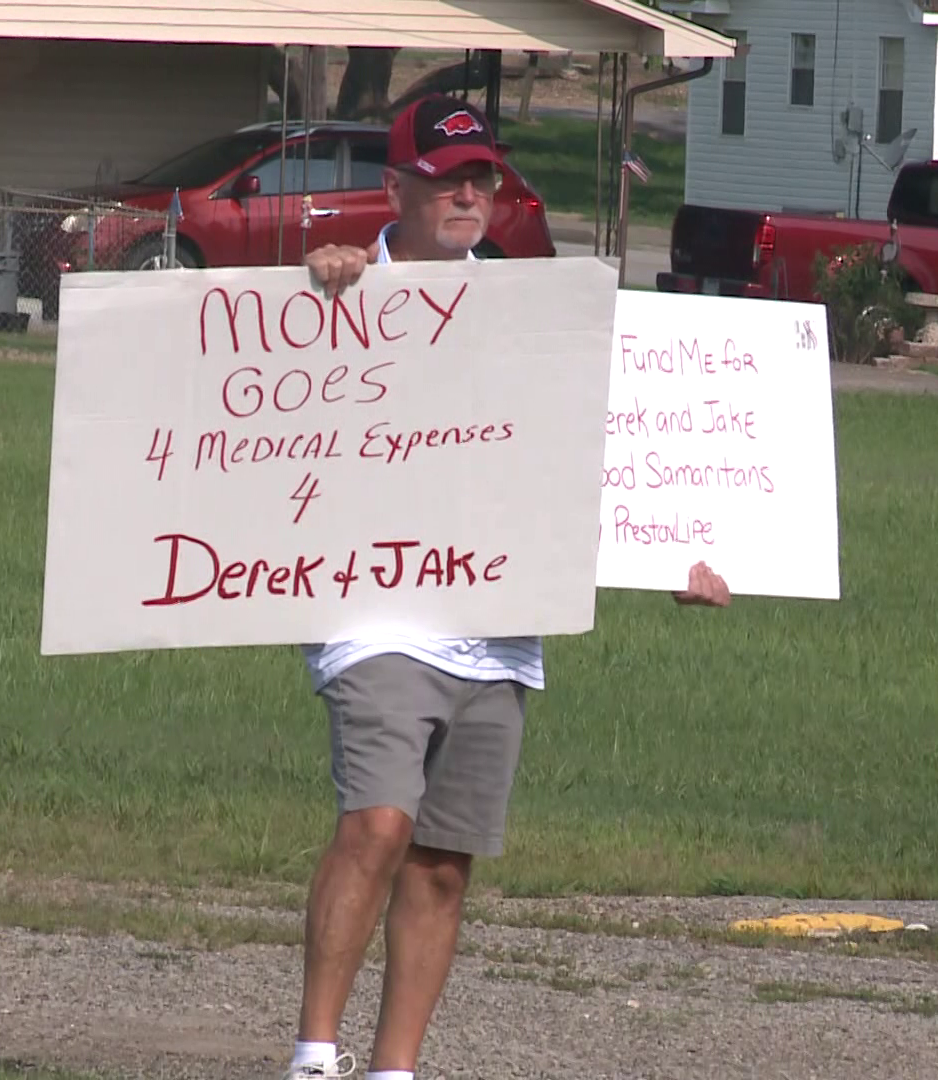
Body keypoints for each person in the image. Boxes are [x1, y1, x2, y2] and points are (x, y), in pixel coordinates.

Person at [285, 95, 732, 1080]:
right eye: (449, 178)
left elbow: (601, 457)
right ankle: (315, 1053)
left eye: (483, 177)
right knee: (380, 822)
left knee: (443, 861)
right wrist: (330, 281)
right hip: (378, 614)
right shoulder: (341, 288)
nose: (470, 194)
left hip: (496, 625)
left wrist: (681, 555)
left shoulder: (537, 312)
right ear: (397, 187)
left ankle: (393, 1068)